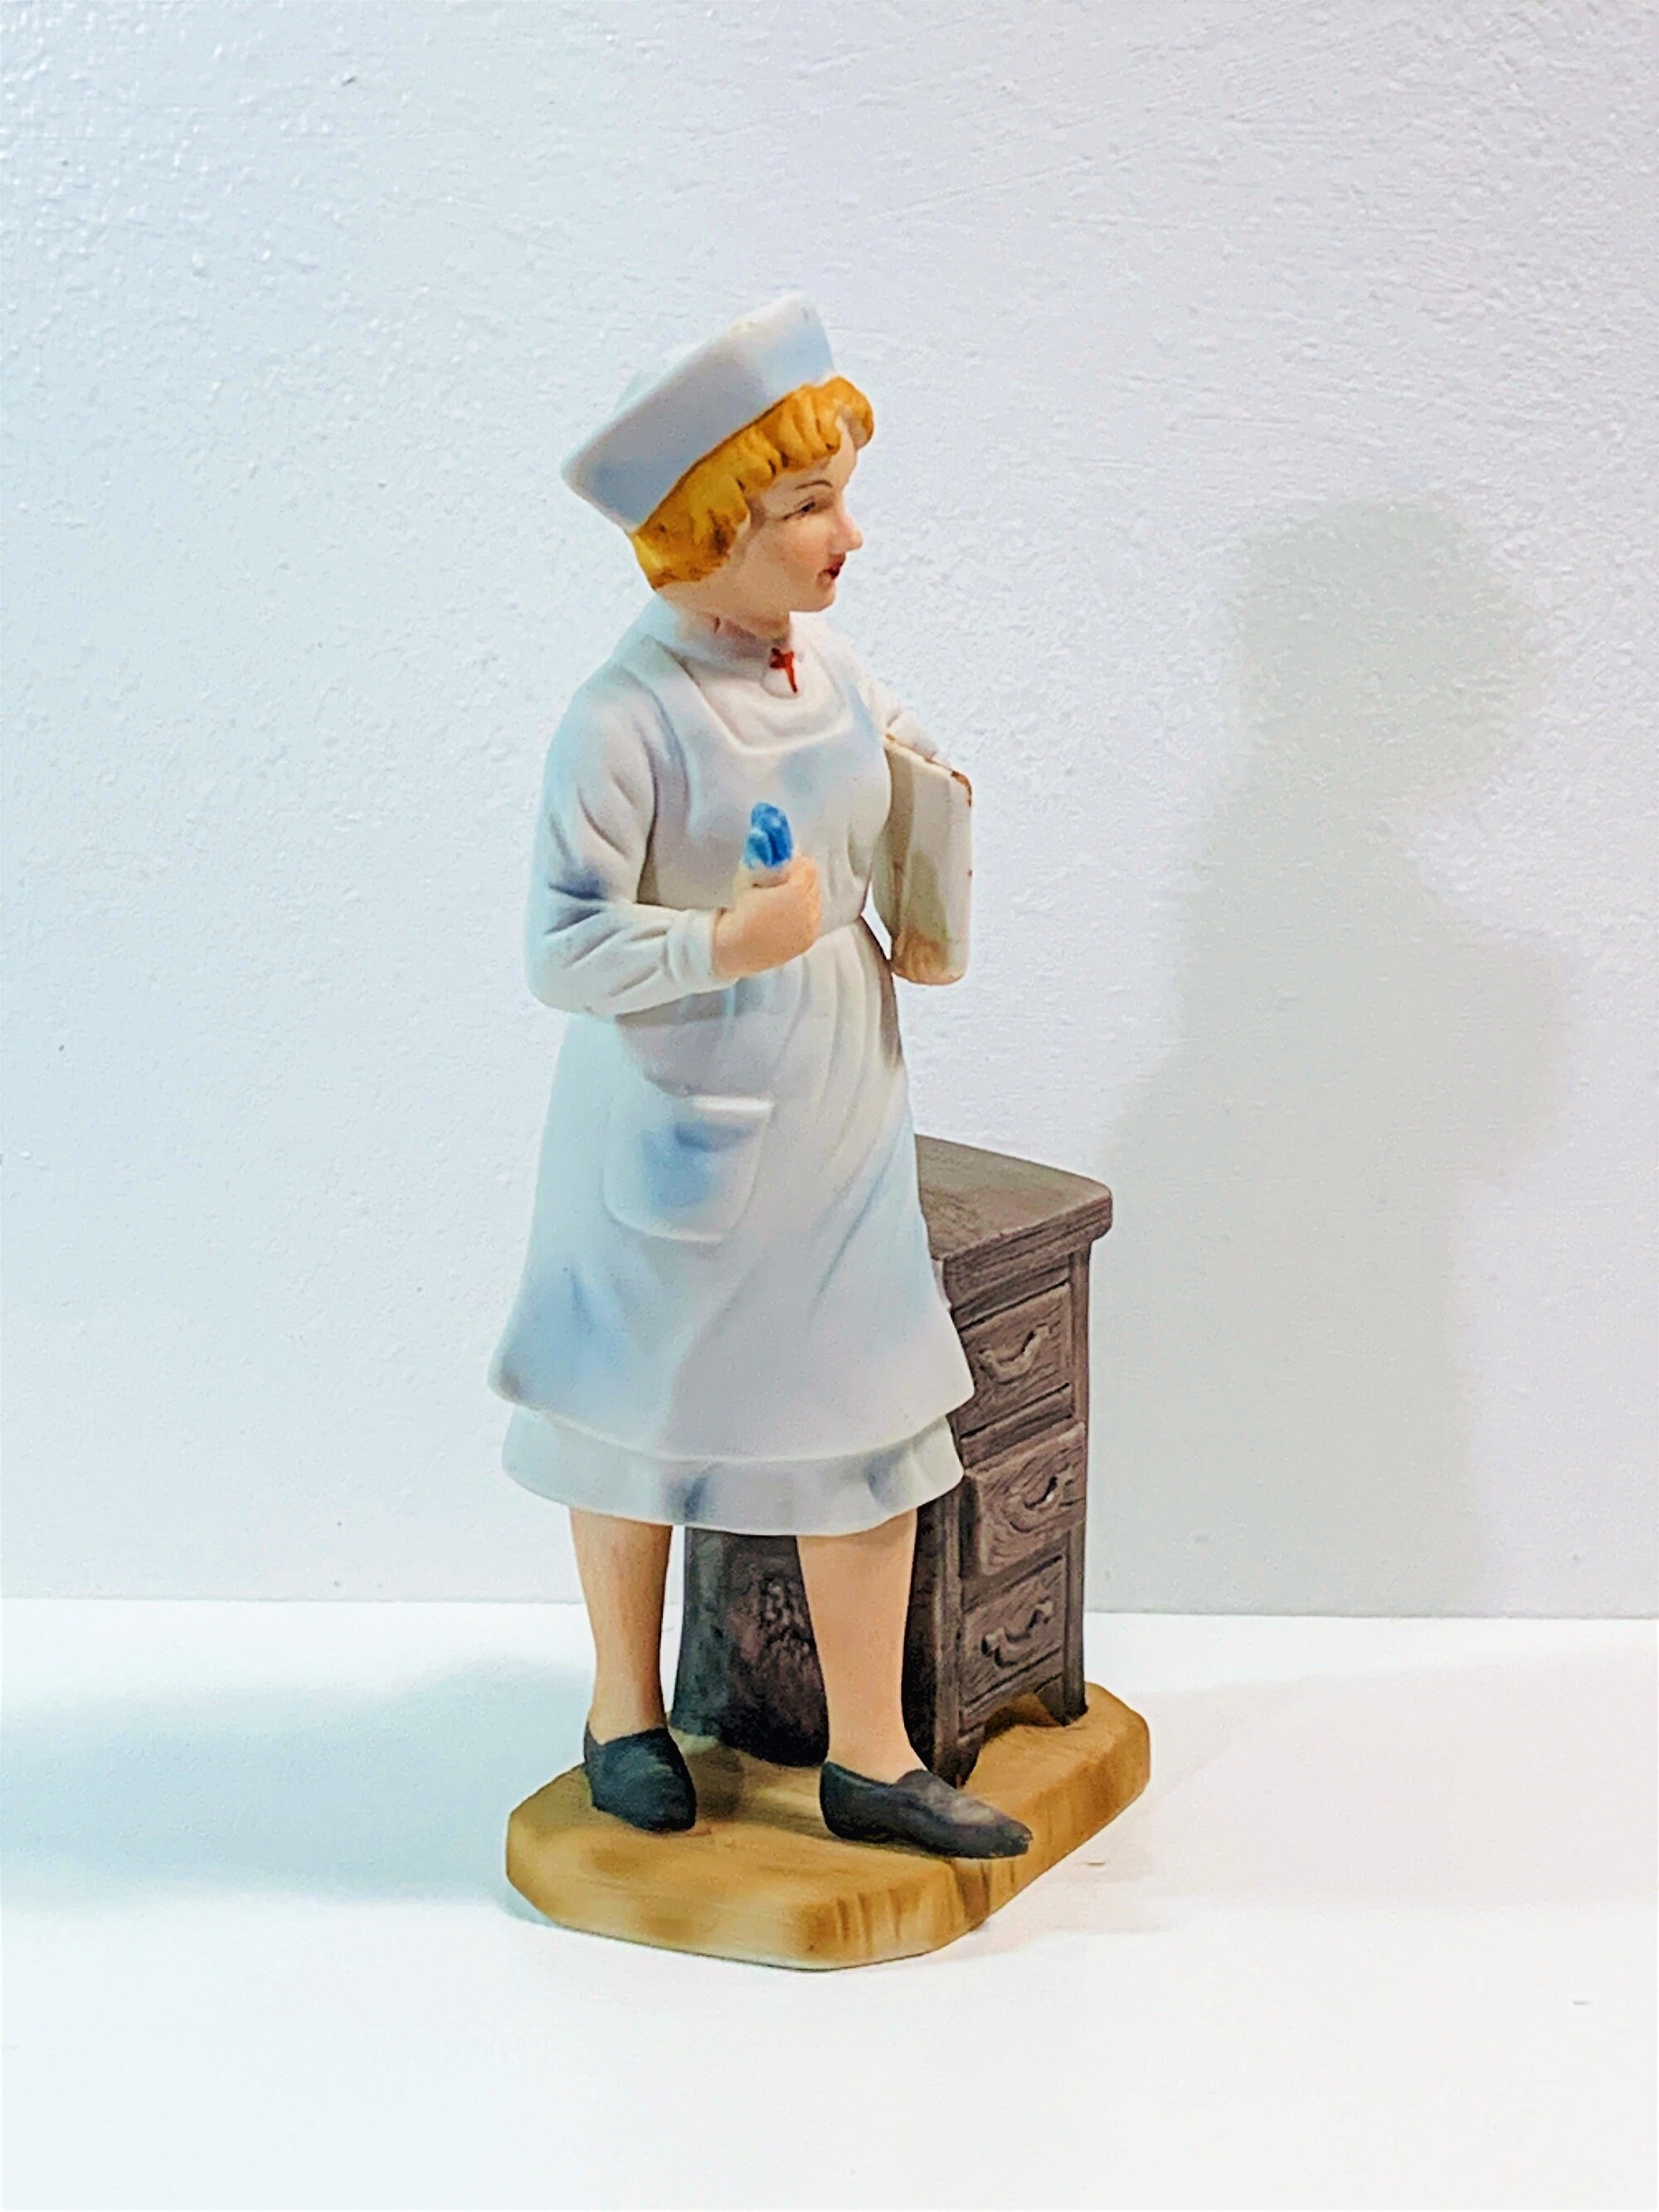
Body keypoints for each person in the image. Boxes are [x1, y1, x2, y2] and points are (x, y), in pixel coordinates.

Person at [490, 294, 1029, 1859]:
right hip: (672, 1125)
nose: (847, 534)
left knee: (868, 1419)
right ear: (710, 526)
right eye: (808, 505)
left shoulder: (831, 671)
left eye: (840, 496)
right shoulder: (622, 723)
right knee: (637, 1422)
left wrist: (928, 811)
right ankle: (621, 1711)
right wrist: (726, 940)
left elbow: (899, 770)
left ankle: (874, 1754)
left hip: (837, 1113)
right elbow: (561, 948)